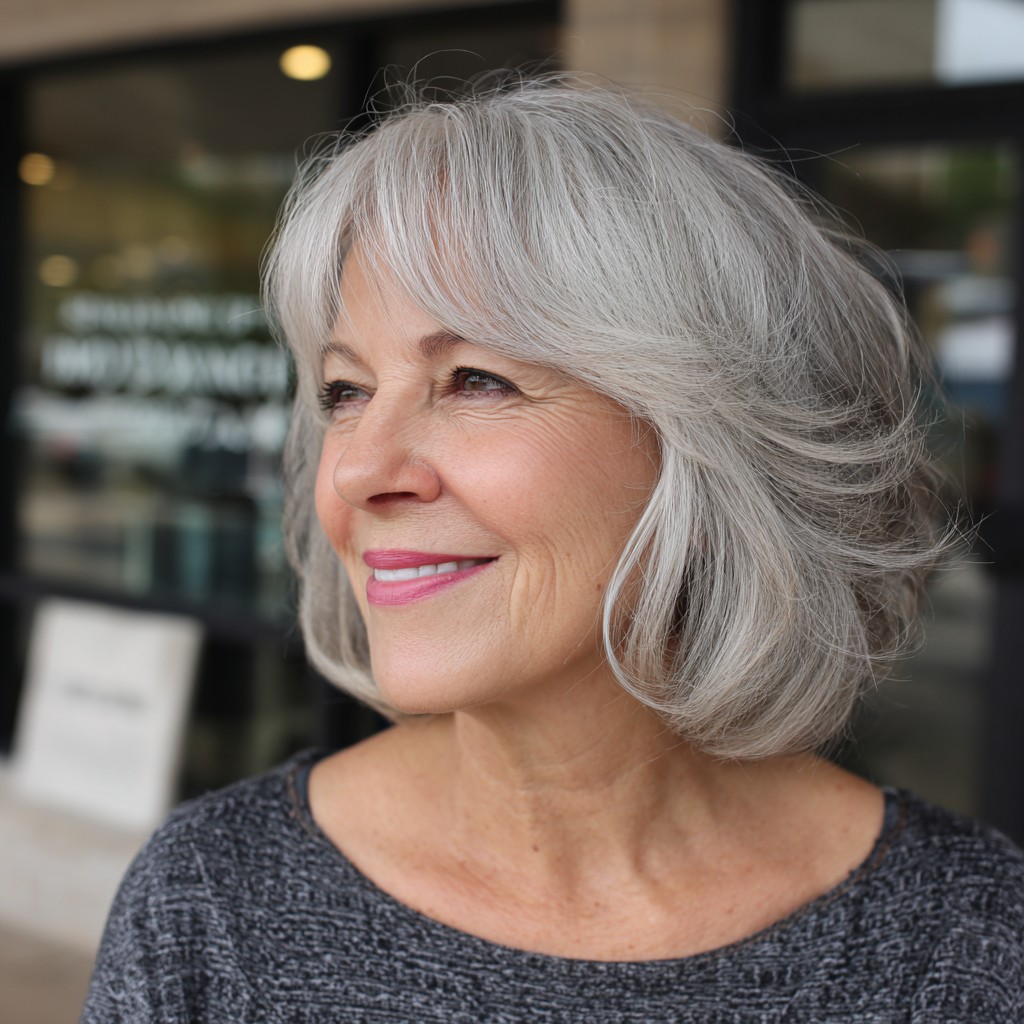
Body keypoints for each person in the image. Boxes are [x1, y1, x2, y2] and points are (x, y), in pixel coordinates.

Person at [82, 76, 1024, 1022]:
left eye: (477, 380)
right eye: (346, 391)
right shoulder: (210, 902)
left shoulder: (968, 943)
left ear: (711, 439)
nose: (361, 471)